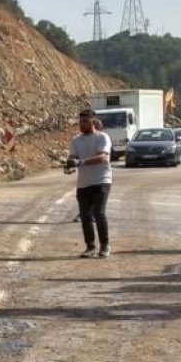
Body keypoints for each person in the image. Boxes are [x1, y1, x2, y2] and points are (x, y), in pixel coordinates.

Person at [67, 109, 113, 258]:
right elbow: (73, 157)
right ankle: (90, 246)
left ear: (93, 122)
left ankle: (105, 246)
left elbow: (102, 158)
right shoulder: (75, 140)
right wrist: (69, 164)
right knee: (85, 216)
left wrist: (80, 162)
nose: (82, 124)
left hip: (102, 180)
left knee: (99, 213)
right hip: (83, 183)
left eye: (85, 122)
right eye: (80, 122)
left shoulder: (102, 137)